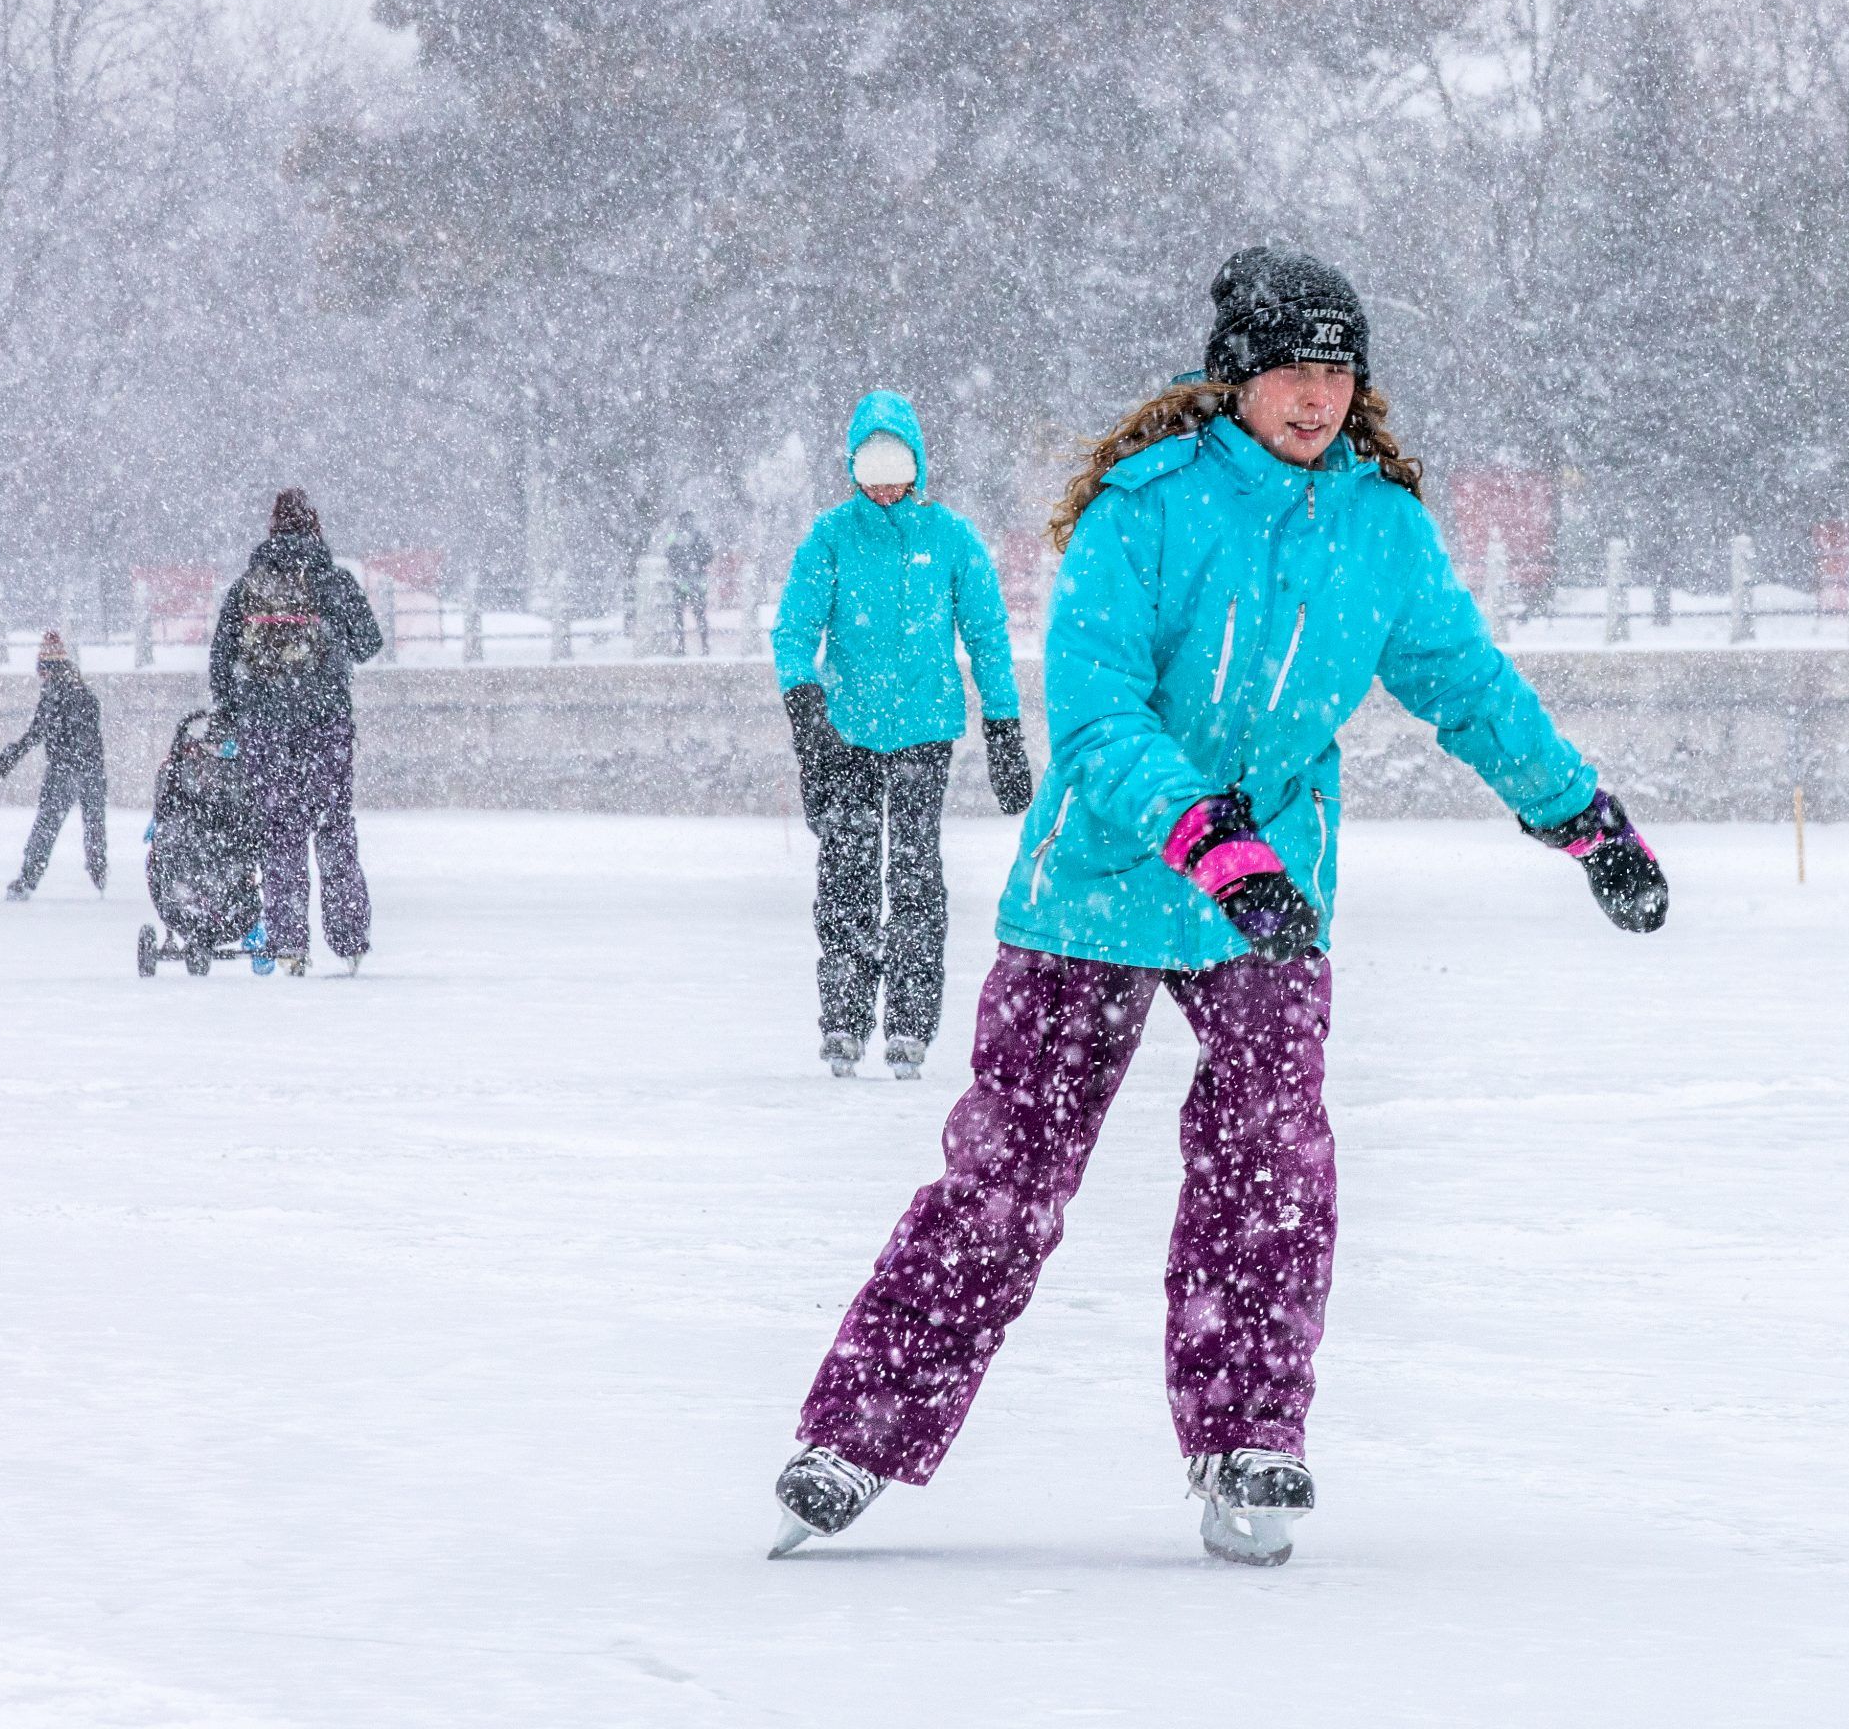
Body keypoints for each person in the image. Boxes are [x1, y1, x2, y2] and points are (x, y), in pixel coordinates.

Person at [766, 248, 1670, 1568]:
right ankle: (857, 1432)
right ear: (1235, 378)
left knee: (1273, 1164)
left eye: (1336, 370)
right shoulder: (1146, 509)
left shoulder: (1381, 529)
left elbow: (1469, 686)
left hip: (1264, 898)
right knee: (1009, 1176)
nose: (1315, 396)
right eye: (1291, 370)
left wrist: (1582, 819)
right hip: (1098, 885)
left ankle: (1253, 1433)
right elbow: (1093, 709)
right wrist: (1205, 837)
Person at [772, 392, 1030, 1080]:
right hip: (847, 731)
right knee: (847, 872)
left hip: (923, 730)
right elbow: (794, 630)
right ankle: (844, 1018)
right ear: (853, 470)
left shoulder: (949, 539)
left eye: (896, 469)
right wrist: (806, 708)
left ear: (917, 468)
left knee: (915, 872)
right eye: (871, 469)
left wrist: (1003, 724)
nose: (885, 485)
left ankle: (911, 1022)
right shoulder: (830, 538)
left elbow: (987, 635)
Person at [209, 490, 384, 976]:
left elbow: (221, 665)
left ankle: (289, 947)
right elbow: (370, 644)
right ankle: (349, 941)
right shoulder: (332, 581)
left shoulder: (247, 587)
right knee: (333, 830)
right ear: (314, 527)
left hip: (264, 729)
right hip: (325, 725)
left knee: (280, 835)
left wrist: (234, 712)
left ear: (272, 529)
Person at [0, 632, 106, 899]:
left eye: (41, 671)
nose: (40, 678)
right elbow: (92, 734)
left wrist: (11, 756)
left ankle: (27, 881)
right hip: (91, 768)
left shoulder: (55, 694)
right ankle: (99, 872)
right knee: (93, 825)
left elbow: (37, 732)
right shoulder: (83, 692)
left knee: (46, 826)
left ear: (48, 669)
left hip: (64, 769)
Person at [667, 510, 715, 655]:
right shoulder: (699, 537)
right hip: (697, 582)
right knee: (699, 615)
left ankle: (681, 647)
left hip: (680, 581)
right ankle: (704, 647)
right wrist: (697, 564)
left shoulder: (674, 537)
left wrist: (679, 567)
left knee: (679, 616)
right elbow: (709, 555)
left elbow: (668, 555)